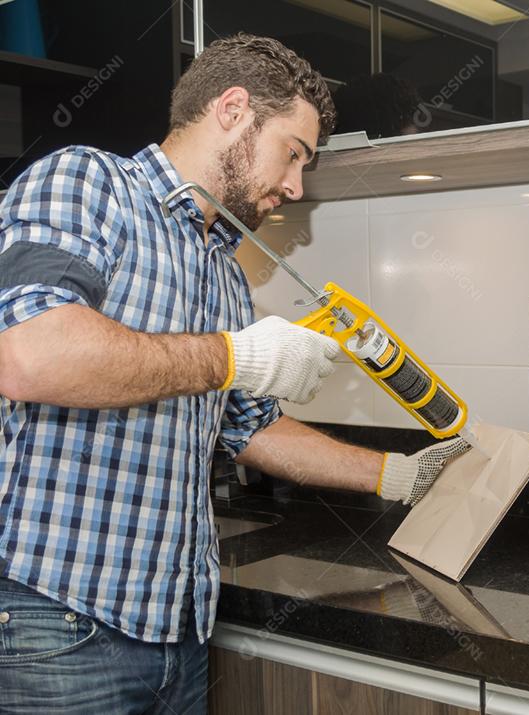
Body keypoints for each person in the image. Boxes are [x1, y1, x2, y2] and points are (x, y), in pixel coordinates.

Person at [0, 33, 469, 714]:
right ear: (232, 108)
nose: (294, 185)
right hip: (59, 625)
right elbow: (27, 352)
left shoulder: (222, 268)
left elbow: (248, 427)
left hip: (178, 630)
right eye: (294, 153)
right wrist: (238, 356)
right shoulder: (87, 183)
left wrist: (395, 474)